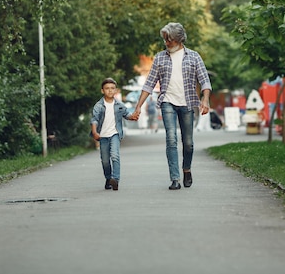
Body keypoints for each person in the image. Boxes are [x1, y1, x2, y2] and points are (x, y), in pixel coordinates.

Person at [132, 22, 212, 190]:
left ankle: (187, 169)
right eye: (165, 40)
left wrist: (205, 100)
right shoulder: (160, 57)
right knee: (171, 139)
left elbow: (204, 80)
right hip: (167, 101)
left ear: (179, 39)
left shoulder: (194, 56)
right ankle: (175, 178)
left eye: (170, 40)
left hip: (188, 103)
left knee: (188, 142)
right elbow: (149, 84)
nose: (167, 43)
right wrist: (139, 106)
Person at [90, 77, 136, 191]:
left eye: (112, 88)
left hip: (115, 134)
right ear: (102, 90)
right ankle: (108, 178)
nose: (110, 91)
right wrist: (95, 132)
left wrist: (133, 116)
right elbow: (94, 119)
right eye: (107, 88)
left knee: (115, 156)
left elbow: (127, 114)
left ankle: (115, 179)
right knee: (105, 160)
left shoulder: (119, 105)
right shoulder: (99, 105)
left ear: (116, 90)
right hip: (103, 136)